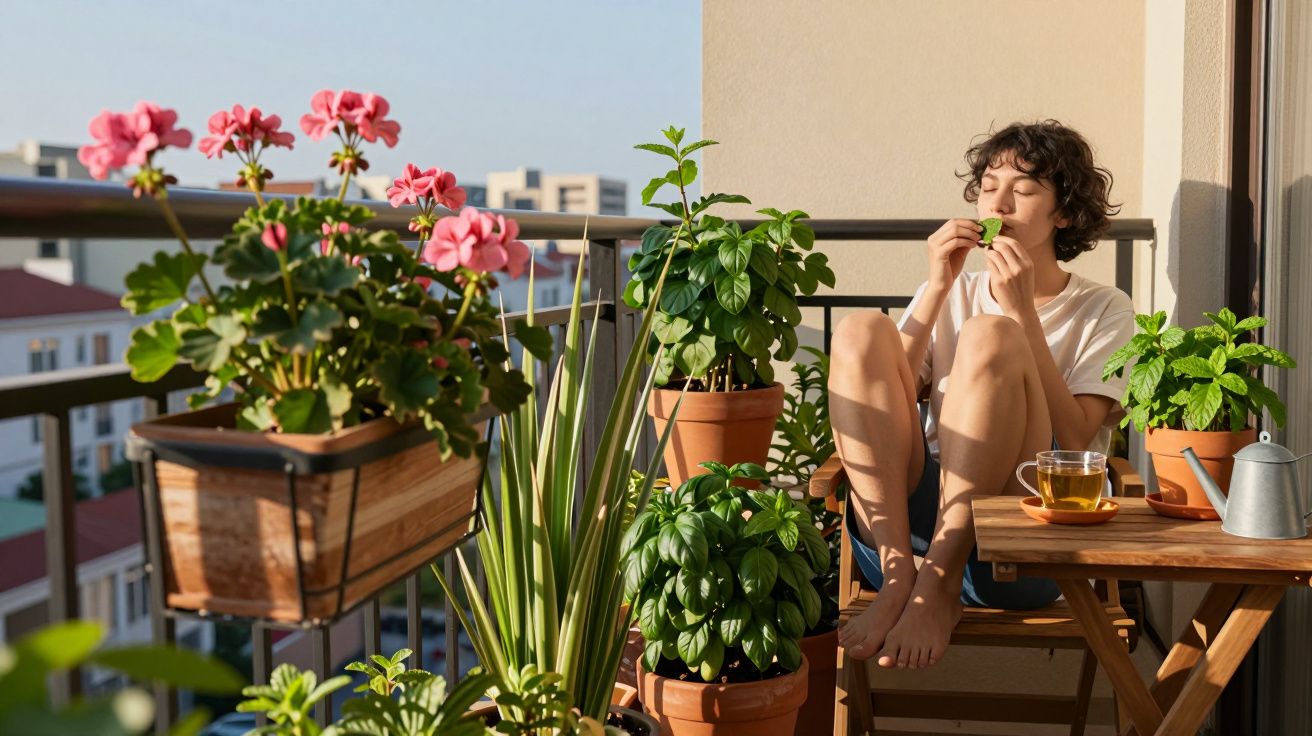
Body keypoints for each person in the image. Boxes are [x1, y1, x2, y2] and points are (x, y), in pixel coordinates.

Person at [829, 120, 1136, 669]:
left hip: (1022, 542)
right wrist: (939, 285)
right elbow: (875, 399)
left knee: (991, 334)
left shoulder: (1105, 308)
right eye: (989, 186)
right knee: (857, 331)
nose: (999, 203)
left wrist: (1020, 315)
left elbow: (1078, 440)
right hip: (909, 535)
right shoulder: (954, 289)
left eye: (1022, 190)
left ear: (1062, 213)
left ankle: (939, 585)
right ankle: (901, 578)